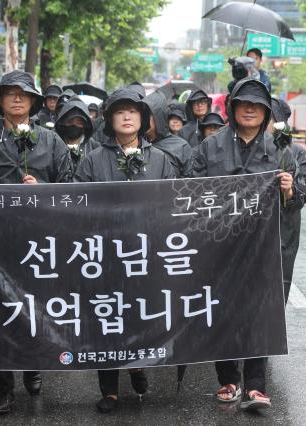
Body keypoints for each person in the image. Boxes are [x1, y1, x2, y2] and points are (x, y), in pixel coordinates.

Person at [0, 70, 72, 415]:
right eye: (9, 93)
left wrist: (43, 191)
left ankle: (34, 366)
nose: (16, 99)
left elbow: (70, 190)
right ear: (0, 100)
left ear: (33, 102)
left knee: (35, 310)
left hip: (39, 245)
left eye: (23, 94)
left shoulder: (51, 142)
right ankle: (2, 387)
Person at [192, 78, 297, 412]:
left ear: (265, 113)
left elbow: (299, 195)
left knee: (259, 314)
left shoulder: (280, 150)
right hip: (219, 246)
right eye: (243, 103)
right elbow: (188, 188)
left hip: (262, 250)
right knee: (222, 311)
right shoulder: (211, 147)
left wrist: (289, 189)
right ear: (232, 108)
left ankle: (255, 385)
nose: (250, 109)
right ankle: (228, 379)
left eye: (257, 105)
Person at [74, 88, 175, 413]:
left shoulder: (159, 160)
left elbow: (172, 205)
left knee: (140, 315)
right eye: (120, 111)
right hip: (104, 255)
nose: (127, 116)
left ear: (144, 119)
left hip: (145, 256)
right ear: (110, 119)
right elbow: (76, 203)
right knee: (107, 318)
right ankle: (109, 390)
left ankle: (138, 364)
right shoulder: (94, 159)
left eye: (134, 111)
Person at [269, 98, 306, 302]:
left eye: (269, 117)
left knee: (277, 288)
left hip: (283, 230)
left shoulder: (296, 153)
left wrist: (290, 191)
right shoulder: (245, 149)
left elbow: (304, 193)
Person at [142, 91, 193, 178]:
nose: (143, 119)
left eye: (148, 115)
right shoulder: (134, 143)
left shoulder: (181, 146)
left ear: (158, 117)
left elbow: (189, 182)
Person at [54, 98, 101, 172]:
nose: (74, 125)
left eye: (79, 122)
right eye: (70, 121)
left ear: (85, 125)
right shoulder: (54, 146)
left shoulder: (95, 148)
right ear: (63, 123)